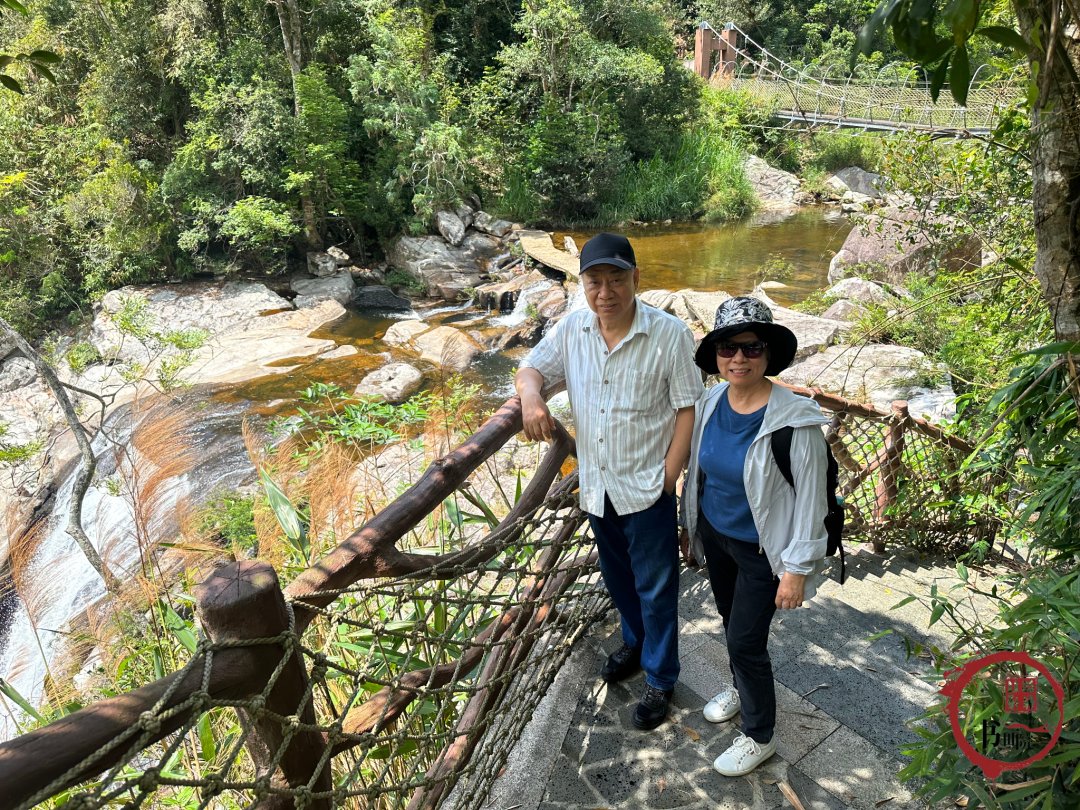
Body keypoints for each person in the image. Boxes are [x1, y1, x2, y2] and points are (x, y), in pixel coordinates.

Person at [515, 233, 703, 730]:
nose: (606, 291)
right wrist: (532, 398)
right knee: (620, 581)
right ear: (581, 284)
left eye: (616, 279)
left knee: (658, 588)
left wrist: (670, 474)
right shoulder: (573, 327)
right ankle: (636, 646)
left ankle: (661, 678)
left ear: (636, 279)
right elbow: (531, 367)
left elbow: (688, 406)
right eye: (594, 281)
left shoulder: (669, 334)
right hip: (596, 487)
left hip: (647, 486)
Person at [679, 296, 830, 776]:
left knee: (746, 641)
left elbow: (812, 500)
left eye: (751, 347)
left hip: (767, 552)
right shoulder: (709, 402)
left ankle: (760, 734)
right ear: (716, 354)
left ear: (768, 353)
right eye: (728, 348)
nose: (738, 358)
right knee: (730, 622)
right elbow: (697, 472)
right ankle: (744, 691)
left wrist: (796, 570)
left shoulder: (795, 420)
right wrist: (691, 528)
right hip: (719, 537)